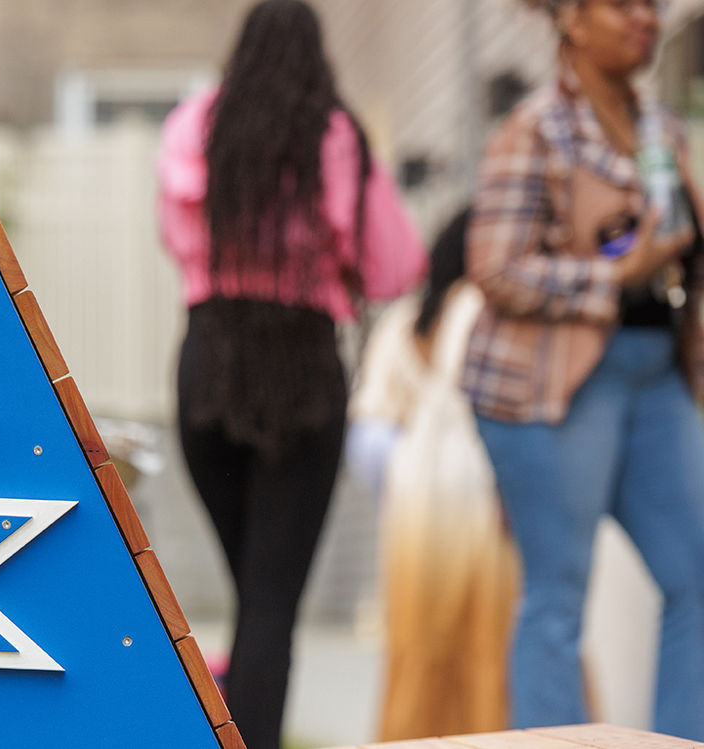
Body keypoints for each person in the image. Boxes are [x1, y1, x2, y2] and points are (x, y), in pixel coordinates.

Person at [156, 2, 426, 746]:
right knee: (271, 599)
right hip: (303, 366)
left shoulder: (194, 124)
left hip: (207, 361)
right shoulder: (334, 133)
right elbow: (395, 265)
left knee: (255, 592)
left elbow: (172, 235)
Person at [466, 0, 704, 737]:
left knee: (697, 575)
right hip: (550, 387)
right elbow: (495, 267)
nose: (646, 18)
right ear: (570, 19)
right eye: (623, 4)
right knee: (558, 593)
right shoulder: (535, 129)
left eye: (653, 6)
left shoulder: (662, 128)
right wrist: (615, 274)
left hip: (654, 372)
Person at [350, 210, 518, 740]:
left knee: (414, 644)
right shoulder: (489, 310)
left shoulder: (402, 322)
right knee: (490, 643)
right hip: (482, 489)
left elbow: (369, 430)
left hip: (413, 497)